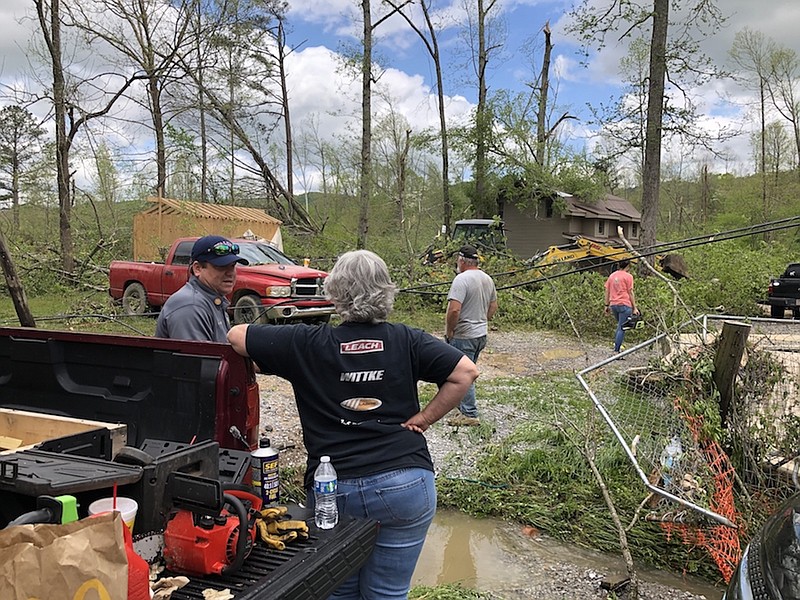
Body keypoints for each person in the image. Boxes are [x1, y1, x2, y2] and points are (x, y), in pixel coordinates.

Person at [227, 250, 478, 600]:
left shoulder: (306, 343)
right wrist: (423, 419)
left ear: (333, 293)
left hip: (336, 489)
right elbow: (465, 373)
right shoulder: (408, 339)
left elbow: (237, 336)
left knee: (337, 591)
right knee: (387, 593)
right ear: (386, 292)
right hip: (406, 485)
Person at [155, 235, 248, 342]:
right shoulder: (190, 307)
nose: (230, 273)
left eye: (232, 266)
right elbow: (196, 357)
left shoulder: (212, 300)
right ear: (197, 268)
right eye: (221, 266)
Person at [444, 244, 498, 426]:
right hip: (480, 334)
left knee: (462, 374)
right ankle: (460, 408)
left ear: (461, 260)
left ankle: (469, 413)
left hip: (464, 335)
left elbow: (454, 310)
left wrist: (450, 331)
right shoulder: (487, 278)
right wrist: (482, 320)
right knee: (467, 370)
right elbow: (493, 306)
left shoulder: (461, 280)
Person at [604, 259, 639, 354]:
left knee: (620, 325)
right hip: (624, 304)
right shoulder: (628, 277)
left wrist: (606, 305)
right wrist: (634, 307)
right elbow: (630, 292)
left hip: (613, 304)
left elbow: (607, 291)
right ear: (628, 266)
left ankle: (617, 344)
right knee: (622, 328)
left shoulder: (612, 276)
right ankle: (616, 350)